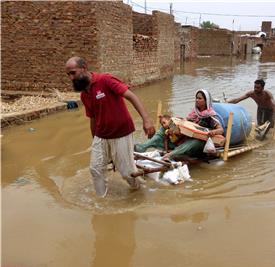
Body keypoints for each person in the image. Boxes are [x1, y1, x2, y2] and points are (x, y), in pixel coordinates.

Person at [65, 56, 155, 197]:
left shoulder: (105, 80)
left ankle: (138, 192)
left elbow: (131, 96)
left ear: (83, 68)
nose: (71, 78)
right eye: (68, 74)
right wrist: (94, 140)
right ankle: (101, 201)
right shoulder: (84, 95)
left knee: (127, 173)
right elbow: (93, 118)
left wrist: (147, 120)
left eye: (73, 73)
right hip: (101, 136)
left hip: (121, 133)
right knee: (95, 169)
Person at [162, 89, 224, 160]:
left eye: (200, 98)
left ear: (206, 101)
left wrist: (213, 132)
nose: (197, 100)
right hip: (190, 137)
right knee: (167, 130)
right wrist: (177, 124)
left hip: (203, 141)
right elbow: (186, 123)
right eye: (196, 98)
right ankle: (169, 150)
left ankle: (171, 155)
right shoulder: (194, 113)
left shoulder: (210, 115)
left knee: (194, 142)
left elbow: (221, 130)